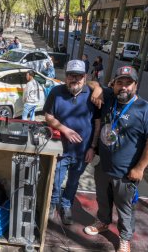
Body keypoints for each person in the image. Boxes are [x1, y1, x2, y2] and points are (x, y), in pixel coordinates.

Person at [84, 66, 148, 252]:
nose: (124, 87)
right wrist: (97, 88)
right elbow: (91, 82)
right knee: (102, 199)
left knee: (124, 208)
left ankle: (125, 238)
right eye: (120, 82)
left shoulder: (146, 111)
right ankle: (103, 222)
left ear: (135, 85)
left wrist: (140, 168)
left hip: (126, 173)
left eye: (128, 83)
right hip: (104, 166)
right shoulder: (109, 97)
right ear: (114, 84)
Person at [43, 59, 101, 225]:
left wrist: (93, 147)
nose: (75, 79)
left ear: (85, 77)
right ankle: (53, 203)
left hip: (83, 151)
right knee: (55, 180)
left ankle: (66, 205)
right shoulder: (56, 92)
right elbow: (48, 116)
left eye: (79, 76)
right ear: (65, 76)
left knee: (74, 181)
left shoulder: (93, 95)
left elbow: (97, 123)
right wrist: (64, 129)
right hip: (60, 150)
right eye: (71, 75)